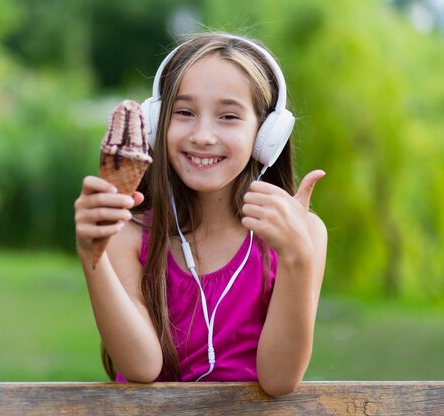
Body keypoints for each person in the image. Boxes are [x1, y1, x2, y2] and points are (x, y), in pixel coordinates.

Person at [74, 32, 327, 396]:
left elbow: (279, 380)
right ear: (158, 122)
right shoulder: (127, 232)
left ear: (266, 135)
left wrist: (297, 259)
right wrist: (91, 253)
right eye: (184, 113)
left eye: (228, 116)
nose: (203, 135)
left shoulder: (303, 234)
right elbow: (141, 366)